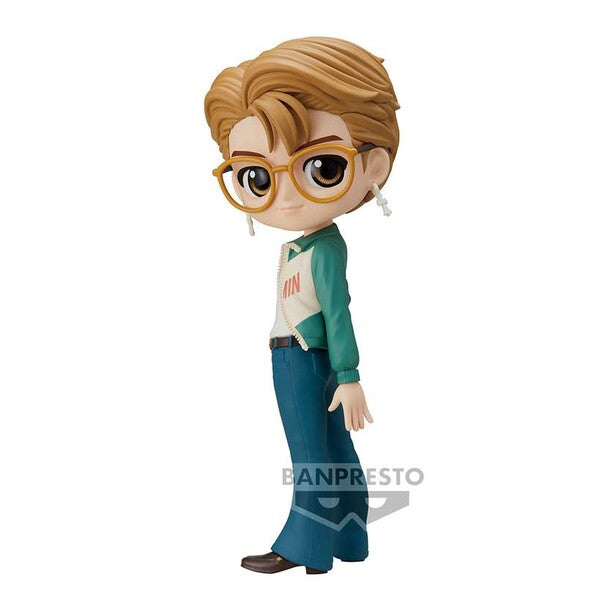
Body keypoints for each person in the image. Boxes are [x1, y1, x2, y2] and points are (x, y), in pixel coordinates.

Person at [204, 37, 400, 574]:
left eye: (322, 168)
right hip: (307, 355)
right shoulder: (303, 246)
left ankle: (305, 546)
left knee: (310, 453)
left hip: (301, 358)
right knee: (333, 447)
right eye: (257, 177)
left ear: (372, 166)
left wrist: (349, 374)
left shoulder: (326, 249)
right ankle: (350, 538)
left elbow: (339, 311)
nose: (285, 195)